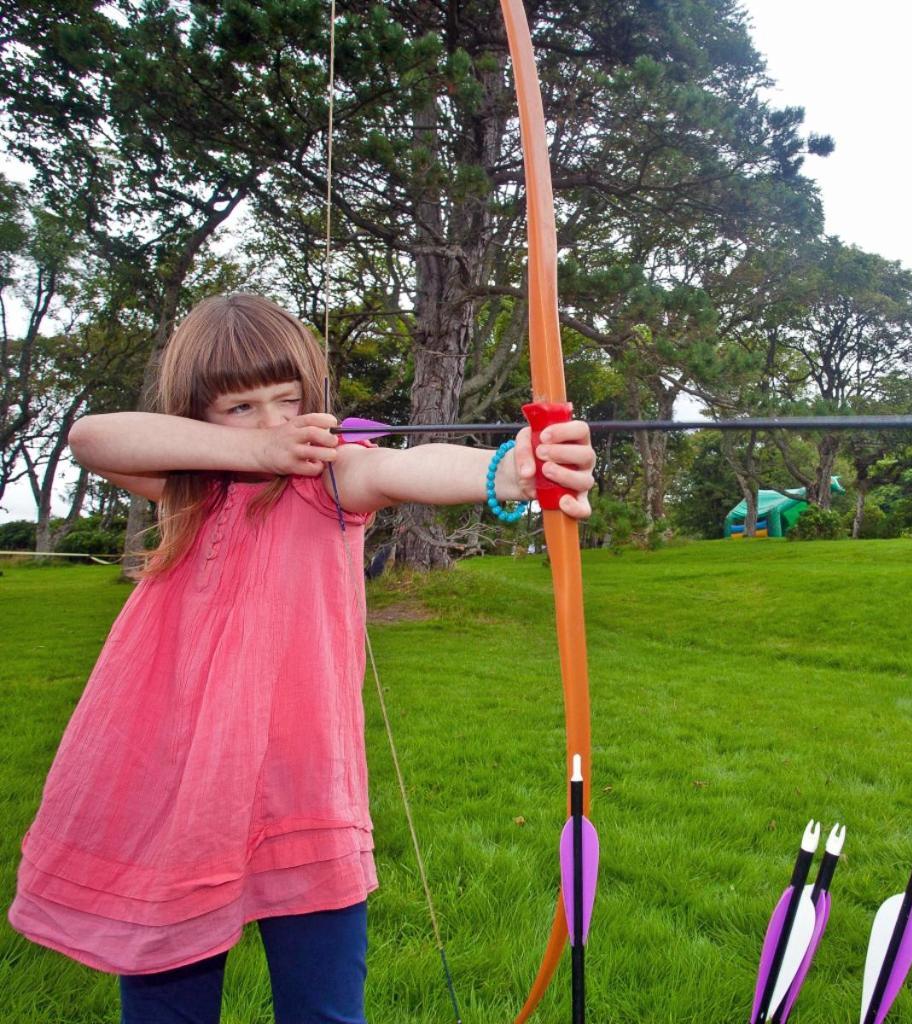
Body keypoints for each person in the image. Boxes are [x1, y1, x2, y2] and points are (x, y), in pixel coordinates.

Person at [7, 292, 596, 1022]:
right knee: (165, 1001)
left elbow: (408, 470)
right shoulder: (186, 485)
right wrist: (250, 454)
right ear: (197, 417)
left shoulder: (330, 479)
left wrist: (511, 470)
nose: (275, 424)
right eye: (241, 407)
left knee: (323, 1007)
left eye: (288, 401)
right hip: (183, 785)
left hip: (304, 786)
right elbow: (93, 438)